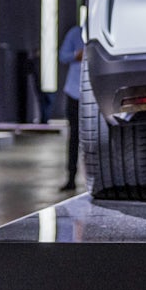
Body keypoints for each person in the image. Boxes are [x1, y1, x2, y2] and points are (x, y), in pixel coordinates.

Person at [58, 24, 85, 192]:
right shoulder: (75, 33)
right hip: (74, 92)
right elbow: (62, 56)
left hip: (96, 93)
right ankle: (71, 177)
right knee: (74, 136)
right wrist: (77, 55)